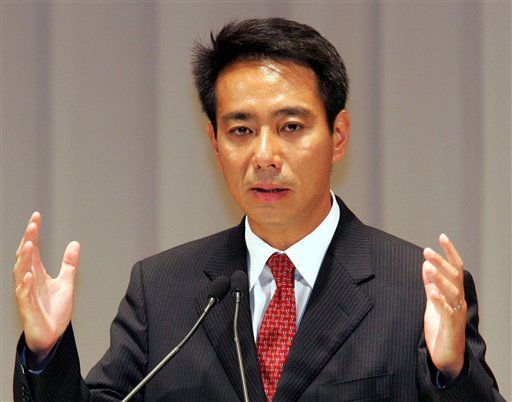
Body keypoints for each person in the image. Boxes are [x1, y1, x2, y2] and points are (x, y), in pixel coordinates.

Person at [12, 18, 503, 401]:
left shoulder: (415, 291)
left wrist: (452, 372)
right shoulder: (162, 291)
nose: (264, 156)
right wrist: (45, 350)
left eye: (291, 127)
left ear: (338, 136)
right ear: (214, 142)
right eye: (241, 131)